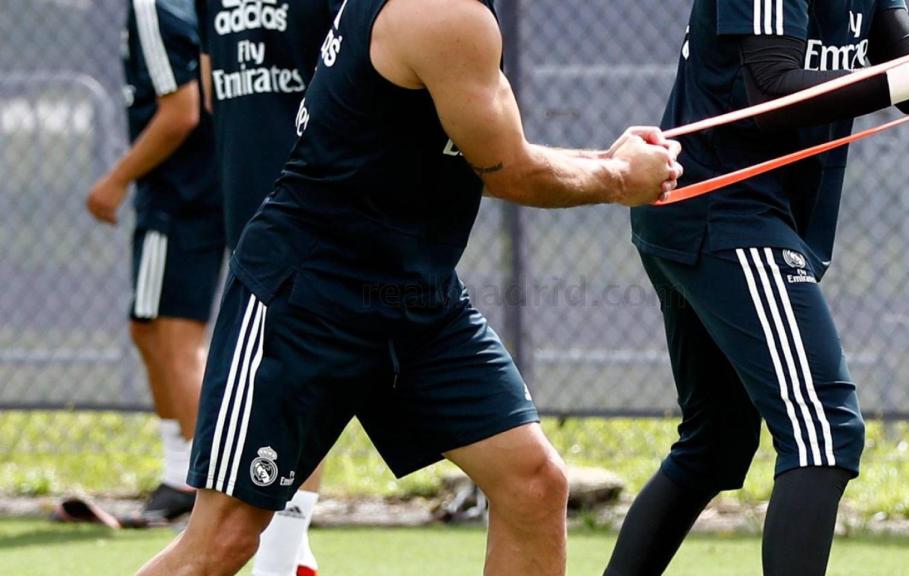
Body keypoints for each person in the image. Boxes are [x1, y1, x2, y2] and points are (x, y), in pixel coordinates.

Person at [135, 0, 682, 574]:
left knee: (532, 484)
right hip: (310, 294)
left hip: (414, 293)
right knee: (222, 541)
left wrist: (605, 160)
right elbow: (510, 171)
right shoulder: (445, 12)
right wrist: (619, 177)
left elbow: (479, 150)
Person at [606, 3, 909, 575]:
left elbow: (901, 70)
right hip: (723, 211)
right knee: (824, 430)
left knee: (716, 444)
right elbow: (772, 90)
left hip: (725, 215)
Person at [194, 0, 342, 572]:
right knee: (284, 381)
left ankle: (282, 555)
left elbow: (351, 90)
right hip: (250, 202)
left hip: (311, 208)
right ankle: (288, 553)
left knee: (304, 377)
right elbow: (213, 89)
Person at [86, 0, 224, 526]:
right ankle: (180, 473)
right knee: (148, 330)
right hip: (196, 194)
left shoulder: (153, 6)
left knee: (174, 338)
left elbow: (181, 111)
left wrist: (115, 180)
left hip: (180, 201)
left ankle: (209, 486)